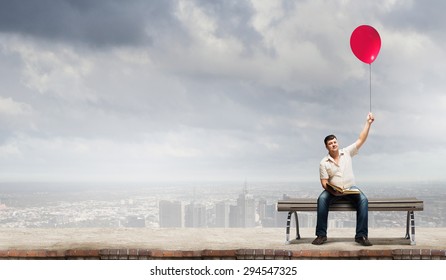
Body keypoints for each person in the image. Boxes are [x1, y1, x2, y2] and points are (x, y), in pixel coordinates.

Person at [312, 112, 375, 246]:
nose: (333, 144)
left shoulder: (346, 152)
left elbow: (361, 139)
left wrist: (368, 123)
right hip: (332, 191)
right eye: (330, 143)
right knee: (322, 199)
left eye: (335, 142)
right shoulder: (323, 162)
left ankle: (361, 235)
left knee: (363, 200)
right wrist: (333, 191)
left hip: (350, 188)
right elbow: (324, 183)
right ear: (326, 146)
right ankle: (321, 235)